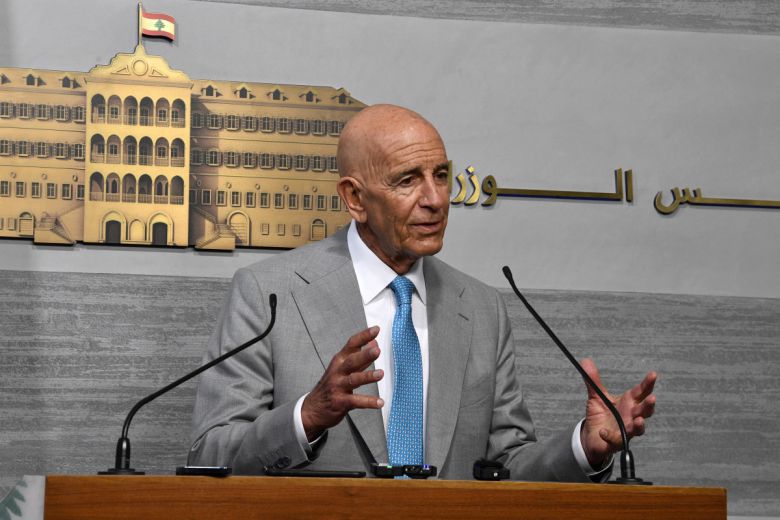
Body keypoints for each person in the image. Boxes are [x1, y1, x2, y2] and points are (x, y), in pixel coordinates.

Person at [189, 104, 656, 480]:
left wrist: (585, 447)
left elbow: (505, 466)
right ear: (355, 198)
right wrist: (306, 416)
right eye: (408, 180)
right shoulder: (269, 292)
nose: (434, 199)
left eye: (441, 175)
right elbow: (210, 453)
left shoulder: (482, 308)